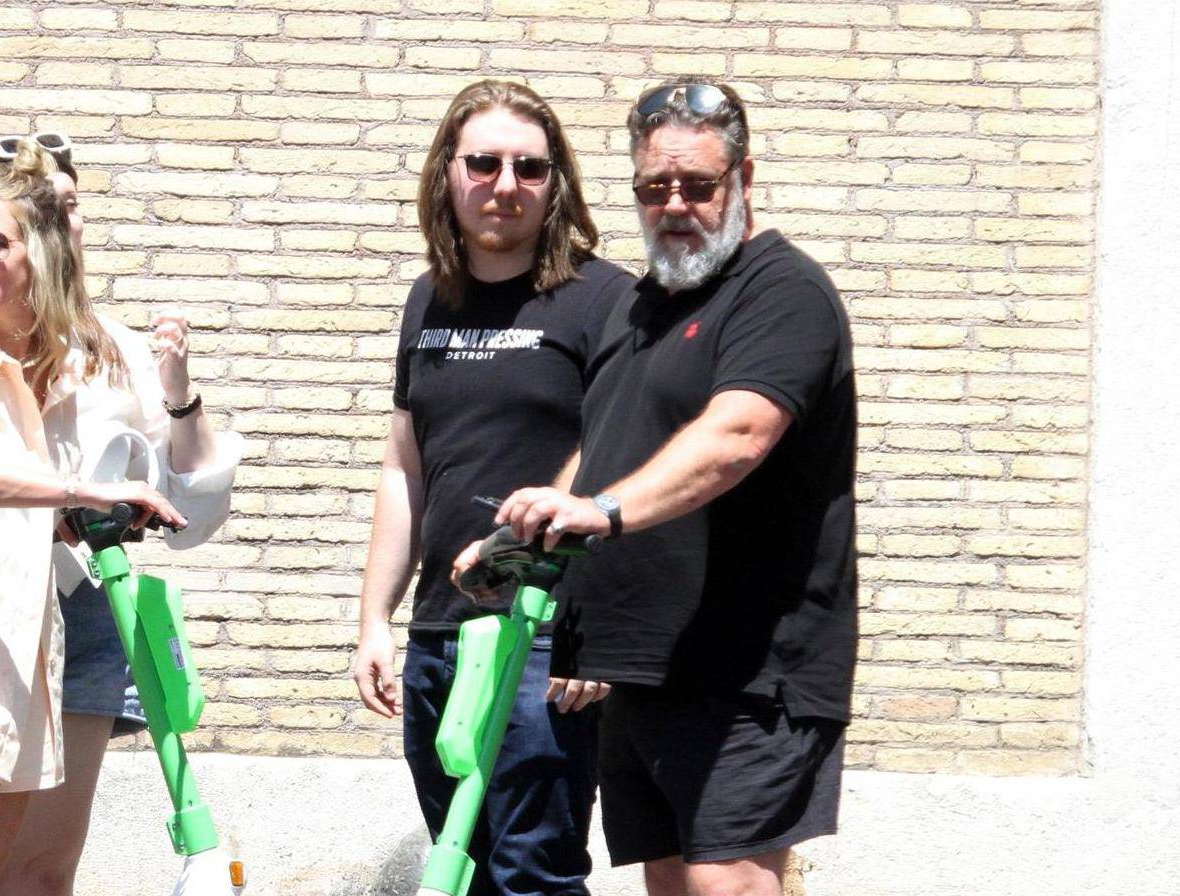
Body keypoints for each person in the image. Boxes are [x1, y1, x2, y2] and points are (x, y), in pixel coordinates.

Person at [457, 80, 857, 896]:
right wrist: (524, 535)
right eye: (654, 187)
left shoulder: (781, 292)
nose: (675, 204)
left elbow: (735, 437)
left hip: (750, 667)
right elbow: (604, 452)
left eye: (699, 185)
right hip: (641, 668)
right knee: (672, 885)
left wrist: (599, 513)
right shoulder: (639, 308)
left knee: (728, 882)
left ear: (743, 178)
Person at [352, 80, 634, 896]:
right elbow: (404, 465)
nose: (505, 184)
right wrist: (376, 617)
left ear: (557, 184)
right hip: (441, 636)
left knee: (532, 873)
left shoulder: (603, 299)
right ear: (448, 172)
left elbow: (619, 460)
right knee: (458, 870)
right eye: (483, 163)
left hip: (545, 636)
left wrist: (594, 629)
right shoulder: (426, 299)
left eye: (529, 168)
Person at [0, 145, 183, 896]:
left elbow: (7, 512)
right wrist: (82, 491)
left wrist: (74, 523)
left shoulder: (42, 371)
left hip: (24, 658)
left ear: (43, 253)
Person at [0, 137, 242, 896]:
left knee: (43, 871)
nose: (70, 222)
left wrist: (179, 392)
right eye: (49, 208)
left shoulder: (112, 350)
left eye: (74, 205)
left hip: (84, 614)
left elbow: (190, 510)